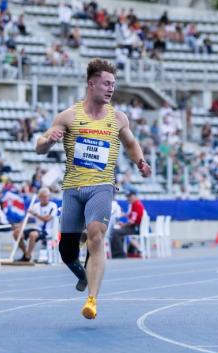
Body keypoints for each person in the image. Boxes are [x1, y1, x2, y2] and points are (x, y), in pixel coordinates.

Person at [35, 58, 151, 320]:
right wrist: (48, 141)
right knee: (67, 252)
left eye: (114, 84)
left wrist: (141, 161)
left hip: (102, 186)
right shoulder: (68, 116)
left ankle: (92, 300)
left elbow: (132, 144)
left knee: (96, 235)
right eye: (106, 83)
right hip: (73, 188)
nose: (111, 89)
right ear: (92, 84)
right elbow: (39, 147)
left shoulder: (118, 118)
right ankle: (81, 273)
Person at [13, 187, 58, 262]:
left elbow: (46, 218)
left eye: (47, 196)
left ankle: (27, 256)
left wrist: (35, 214)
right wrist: (20, 227)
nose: (45, 198)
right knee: (16, 233)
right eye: (43, 196)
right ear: (39, 197)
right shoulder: (36, 205)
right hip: (36, 228)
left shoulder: (53, 206)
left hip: (47, 230)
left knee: (33, 234)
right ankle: (27, 254)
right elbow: (27, 218)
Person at [109, 192, 145, 258]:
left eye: (130, 197)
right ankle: (129, 251)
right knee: (118, 231)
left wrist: (123, 225)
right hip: (135, 227)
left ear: (134, 196)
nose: (128, 199)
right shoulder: (136, 204)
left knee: (115, 232)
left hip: (135, 228)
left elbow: (132, 222)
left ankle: (119, 254)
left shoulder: (136, 205)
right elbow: (131, 218)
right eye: (127, 197)